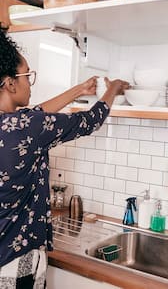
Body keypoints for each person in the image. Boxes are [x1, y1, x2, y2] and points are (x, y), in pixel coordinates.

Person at [0, 28, 129, 288]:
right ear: (10, 83)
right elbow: (90, 121)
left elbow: (35, 118)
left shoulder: (18, 126)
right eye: (27, 75)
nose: (29, 83)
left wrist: (79, 89)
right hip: (16, 259)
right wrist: (112, 89)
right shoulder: (27, 127)